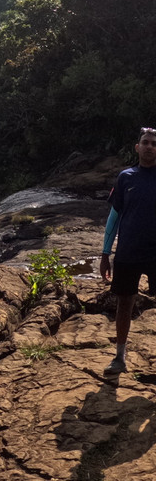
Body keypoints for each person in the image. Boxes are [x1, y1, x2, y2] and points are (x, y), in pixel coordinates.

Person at [100, 126, 156, 374]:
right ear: (137, 147)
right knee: (124, 304)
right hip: (128, 252)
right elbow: (114, 217)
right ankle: (119, 357)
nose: (149, 147)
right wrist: (105, 253)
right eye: (145, 142)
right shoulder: (126, 177)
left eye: (154, 144)